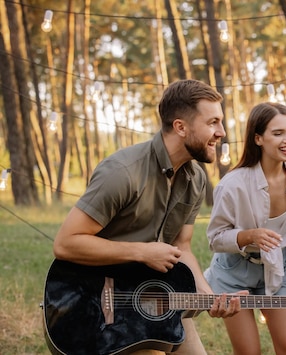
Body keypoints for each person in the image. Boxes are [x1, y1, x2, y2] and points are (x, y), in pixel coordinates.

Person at [53, 79, 243, 354]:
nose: (222, 132)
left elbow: (182, 246)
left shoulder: (196, 179)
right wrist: (143, 252)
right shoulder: (122, 172)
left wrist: (208, 295)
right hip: (93, 303)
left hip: (155, 298)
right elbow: (65, 243)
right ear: (180, 127)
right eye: (213, 122)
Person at [204, 102, 286, 355]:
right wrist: (248, 236)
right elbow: (215, 238)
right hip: (233, 271)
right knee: (249, 352)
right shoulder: (232, 184)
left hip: (278, 265)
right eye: (278, 133)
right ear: (258, 138)